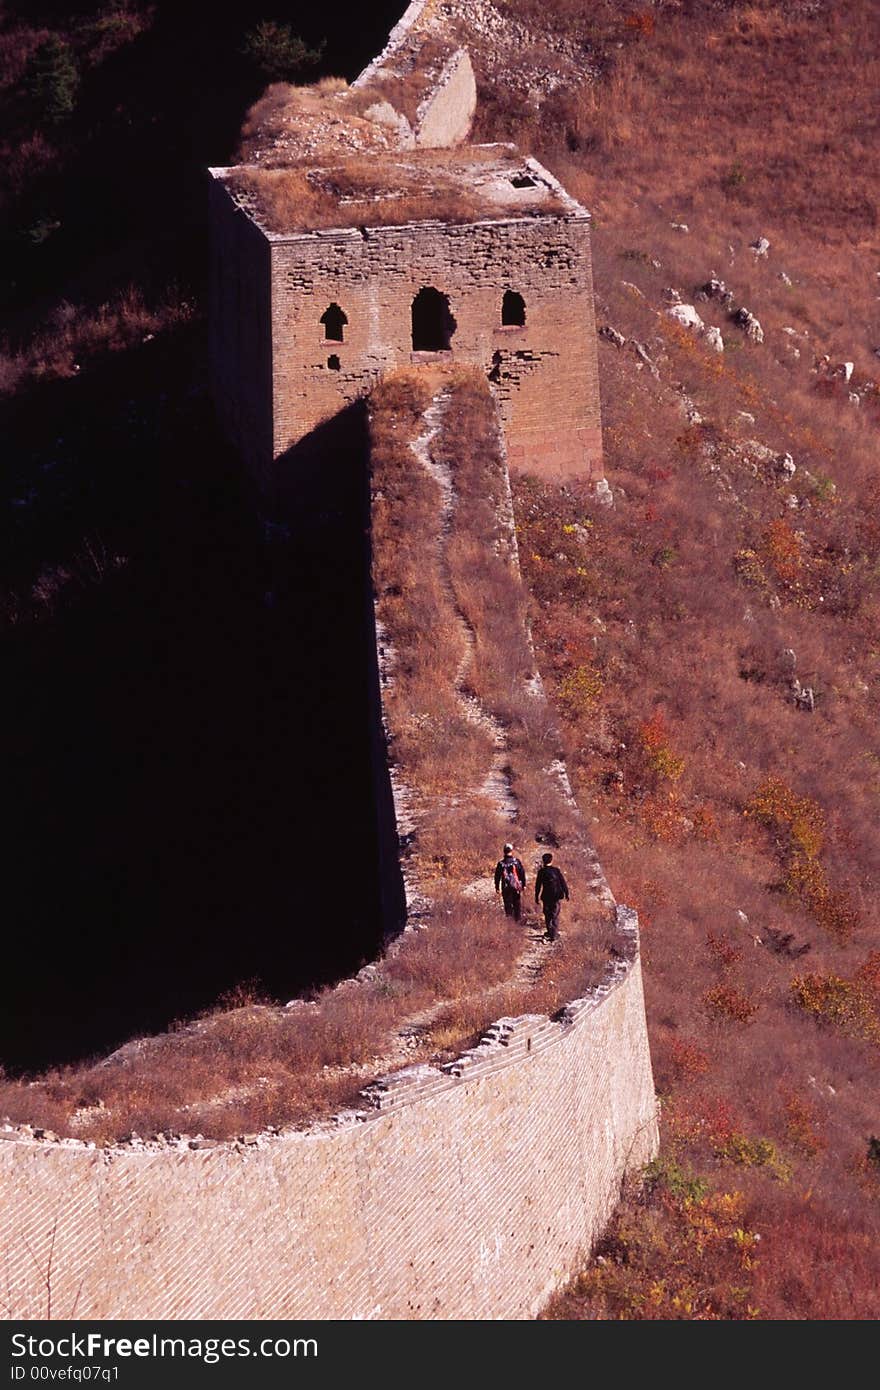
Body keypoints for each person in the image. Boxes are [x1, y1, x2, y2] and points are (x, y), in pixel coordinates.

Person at [534, 852, 569, 941]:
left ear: (543, 861)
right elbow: (563, 882)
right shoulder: (556, 870)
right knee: (555, 915)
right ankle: (554, 934)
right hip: (556, 896)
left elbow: (538, 885)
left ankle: (550, 932)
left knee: (547, 914)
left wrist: (536, 896)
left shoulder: (541, 872)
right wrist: (566, 893)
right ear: (551, 860)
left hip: (546, 896)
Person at [494, 843, 526, 921]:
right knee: (517, 905)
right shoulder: (516, 862)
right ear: (512, 851)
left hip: (506, 888)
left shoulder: (501, 864)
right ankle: (517, 922)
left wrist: (497, 887)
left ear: (504, 851)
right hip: (516, 887)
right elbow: (522, 873)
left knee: (508, 905)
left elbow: (497, 877)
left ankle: (510, 924)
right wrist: (524, 884)